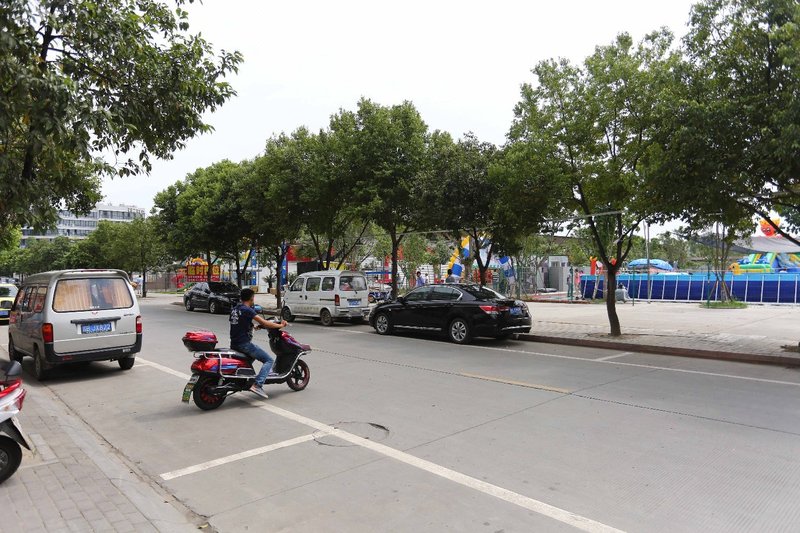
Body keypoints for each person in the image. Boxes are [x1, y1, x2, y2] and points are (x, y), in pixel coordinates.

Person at [230, 288, 287, 398]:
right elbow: (265, 323)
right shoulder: (248, 310)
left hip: (234, 343)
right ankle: (257, 385)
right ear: (251, 298)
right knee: (269, 360)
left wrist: (253, 326)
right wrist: (281, 325)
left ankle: (243, 380)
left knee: (250, 359)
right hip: (244, 344)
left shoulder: (235, 309)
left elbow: (238, 324)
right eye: (253, 297)